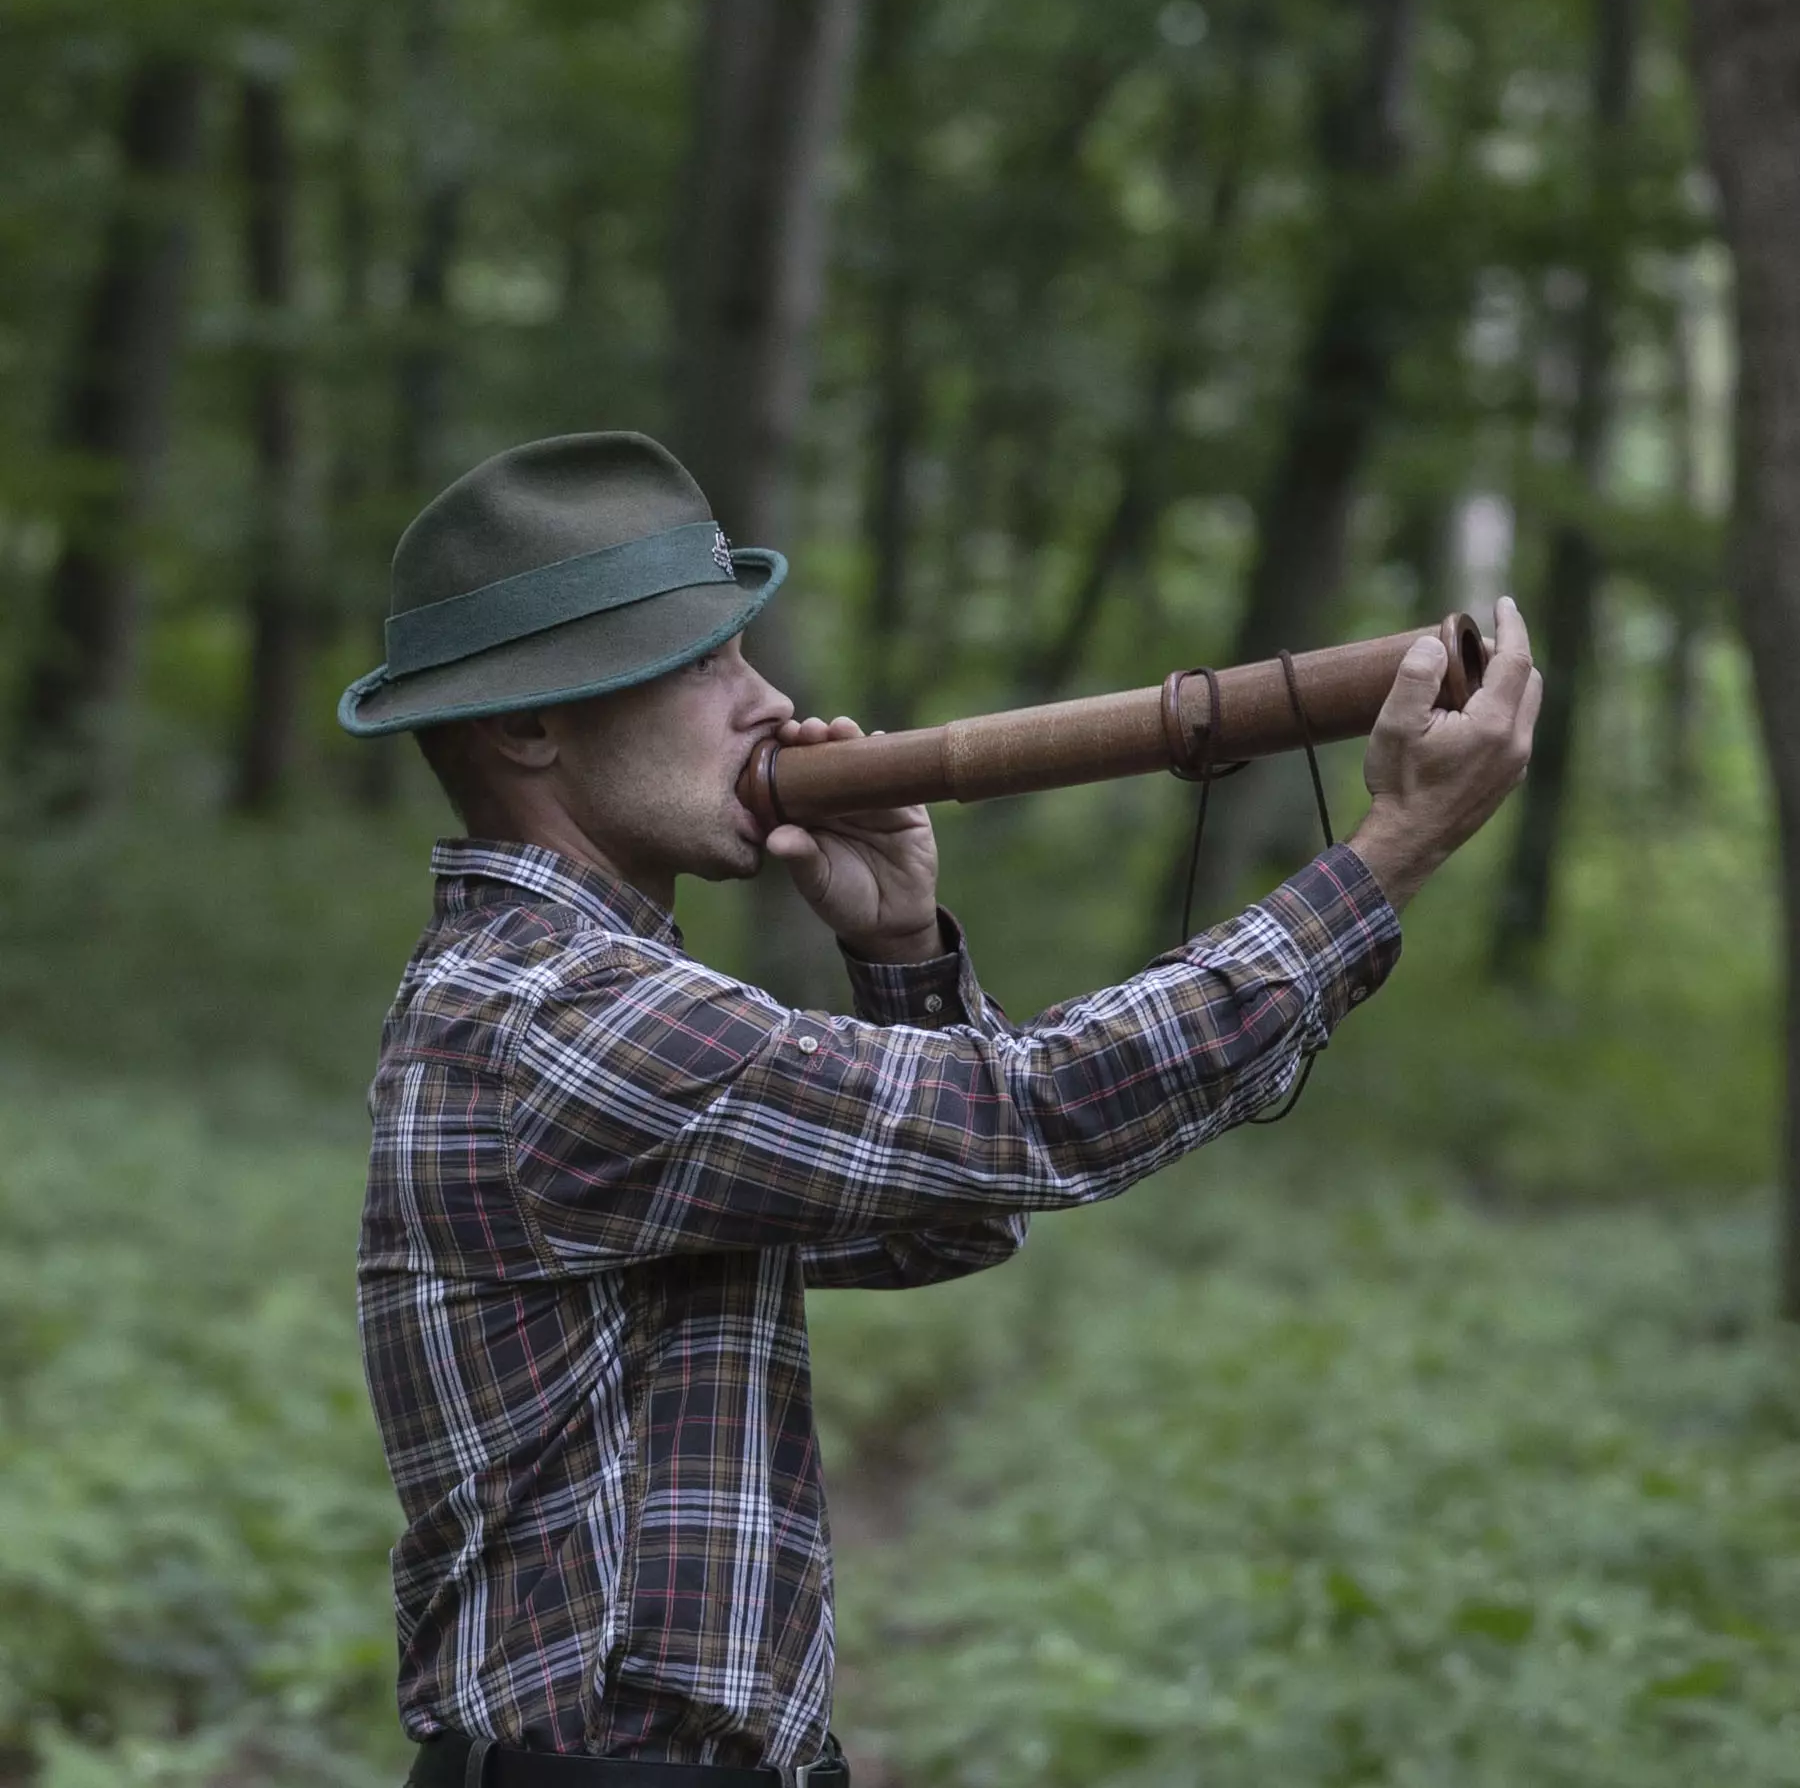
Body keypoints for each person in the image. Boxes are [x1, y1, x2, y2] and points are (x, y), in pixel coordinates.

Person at [338, 432, 1542, 1788]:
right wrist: (1386, 861)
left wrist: (904, 953)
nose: (767, 699)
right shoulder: (558, 1020)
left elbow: (952, 1219)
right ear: (528, 726)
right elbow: (1042, 1110)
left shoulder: (566, 1002)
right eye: (703, 663)